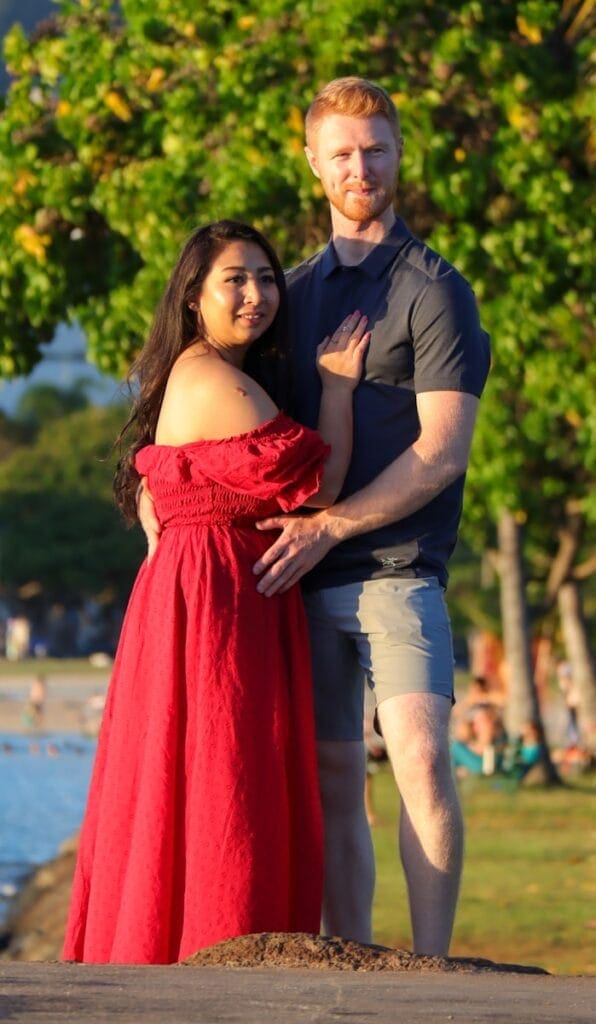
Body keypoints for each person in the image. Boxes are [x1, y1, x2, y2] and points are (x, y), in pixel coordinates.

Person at [139, 78, 490, 956]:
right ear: (313, 164)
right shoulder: (286, 292)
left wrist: (334, 524)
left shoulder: (436, 291)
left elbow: (443, 450)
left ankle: (436, 965)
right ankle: (358, 959)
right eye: (341, 152)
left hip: (397, 567)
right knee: (335, 780)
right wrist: (161, 504)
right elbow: (203, 414)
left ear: (399, 152)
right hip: (290, 582)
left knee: (416, 753)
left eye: (375, 148)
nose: (360, 166)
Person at [62, 219, 369, 964]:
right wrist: (338, 389)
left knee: (204, 777)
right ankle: (215, 941)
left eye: (266, 279)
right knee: (226, 775)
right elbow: (319, 484)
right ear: (193, 298)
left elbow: (159, 475)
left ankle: (188, 939)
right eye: (235, 279)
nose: (257, 295)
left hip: (209, 590)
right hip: (217, 599)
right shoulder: (214, 379)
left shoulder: (203, 373)